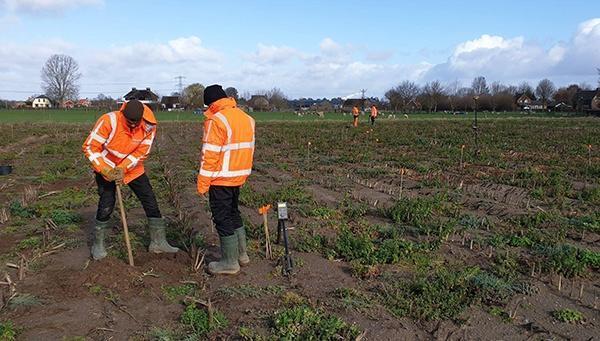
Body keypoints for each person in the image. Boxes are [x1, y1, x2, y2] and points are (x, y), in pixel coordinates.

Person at [82, 99, 179, 260]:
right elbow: (90, 147)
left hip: (132, 168)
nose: (133, 126)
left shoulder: (149, 125)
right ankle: (98, 244)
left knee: (150, 200)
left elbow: (142, 151)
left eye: (136, 122)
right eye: (129, 122)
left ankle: (158, 242)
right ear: (123, 114)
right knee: (107, 203)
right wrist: (105, 169)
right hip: (106, 167)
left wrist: (123, 168)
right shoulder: (109, 121)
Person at [197, 84, 255, 275]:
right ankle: (242, 255)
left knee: (222, 218)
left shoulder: (216, 120)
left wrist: (203, 184)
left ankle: (229, 263)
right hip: (238, 177)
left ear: (211, 103)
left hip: (221, 178)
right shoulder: (247, 118)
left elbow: (210, 155)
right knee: (233, 213)